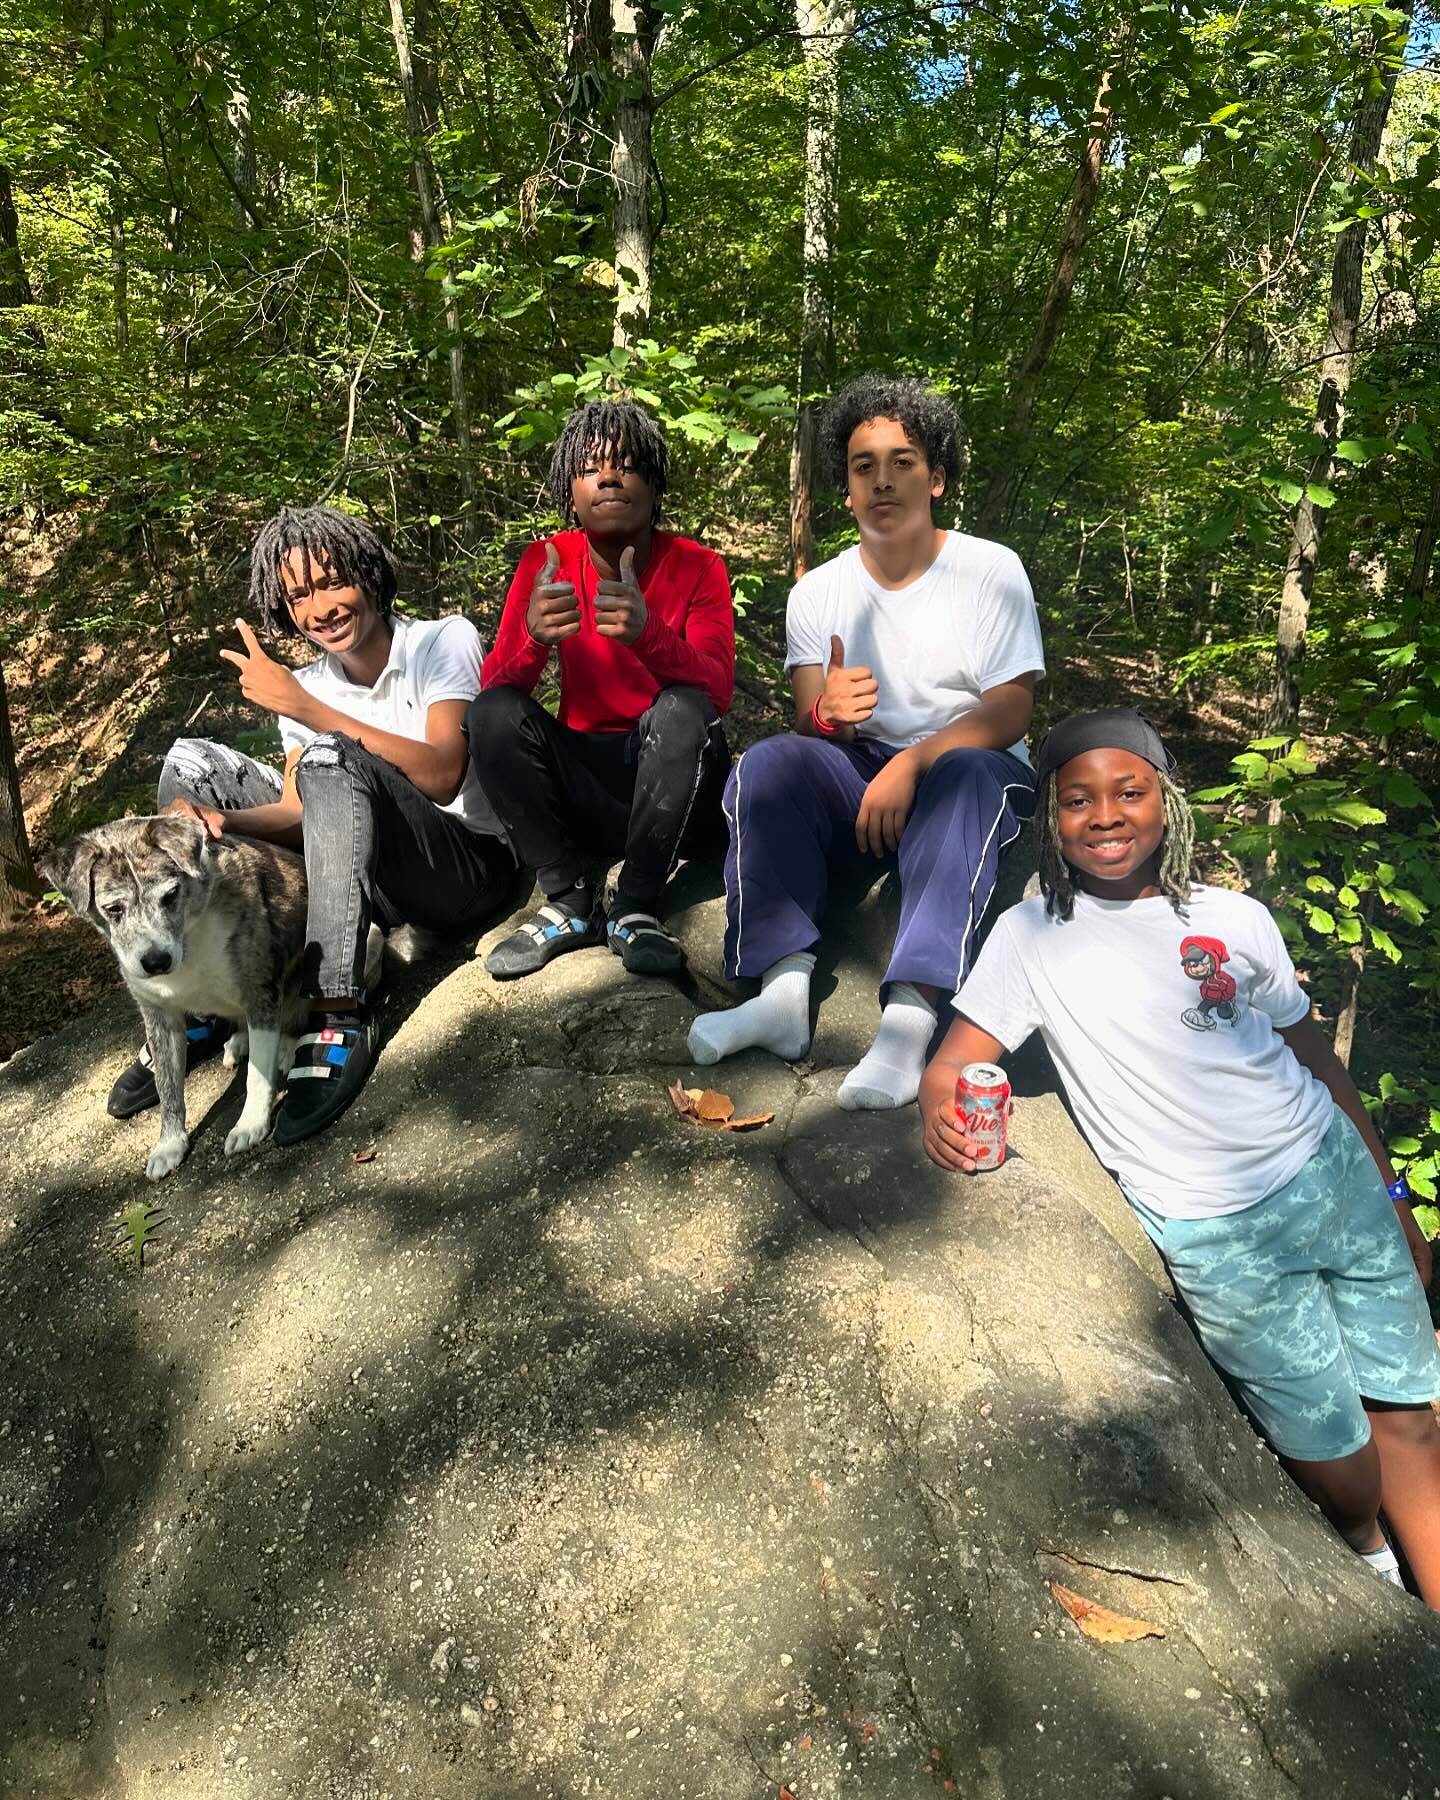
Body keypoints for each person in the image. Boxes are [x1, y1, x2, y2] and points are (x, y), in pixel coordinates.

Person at [920, 707, 1440, 1606]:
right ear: (1052, 817)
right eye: (1078, 799)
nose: (1108, 815)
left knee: (1412, 1426)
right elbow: (960, 1056)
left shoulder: (1235, 918)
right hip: (1219, 1233)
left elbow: (1318, 1061)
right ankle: (1363, 1549)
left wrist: (1396, 1194)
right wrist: (940, 1100)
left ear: (1169, 801)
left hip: (1336, 1179)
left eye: (1130, 791)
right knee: (1347, 1465)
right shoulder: (1031, 933)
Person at [687, 374, 1044, 1109]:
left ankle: (911, 1020)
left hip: (967, 767)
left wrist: (913, 761)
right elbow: (808, 719)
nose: (882, 480)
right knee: (770, 765)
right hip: (861, 769)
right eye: (862, 466)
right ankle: (782, 991)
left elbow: (1011, 709)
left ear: (937, 477)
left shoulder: (989, 569)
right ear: (846, 490)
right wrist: (829, 718)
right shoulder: (819, 591)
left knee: (972, 779)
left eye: (903, 461)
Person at [107, 505, 516, 1144]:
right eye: (298, 596)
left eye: (331, 582)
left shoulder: (441, 639)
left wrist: (307, 708)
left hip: (460, 866)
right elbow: (306, 814)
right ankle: (201, 1001)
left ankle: (337, 1009)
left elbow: (442, 773)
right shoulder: (305, 685)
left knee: (331, 753)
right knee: (190, 763)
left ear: (370, 574)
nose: (318, 607)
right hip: (365, 861)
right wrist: (222, 819)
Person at [469, 400, 734, 979]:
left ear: (655, 484)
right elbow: (497, 691)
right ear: (572, 490)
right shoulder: (548, 560)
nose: (608, 476)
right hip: (585, 784)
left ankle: (637, 905)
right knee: (489, 713)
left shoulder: (698, 565)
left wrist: (648, 636)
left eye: (627, 464)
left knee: (684, 706)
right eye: (590, 467)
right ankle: (567, 900)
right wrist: (535, 639)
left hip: (672, 785)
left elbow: (716, 693)